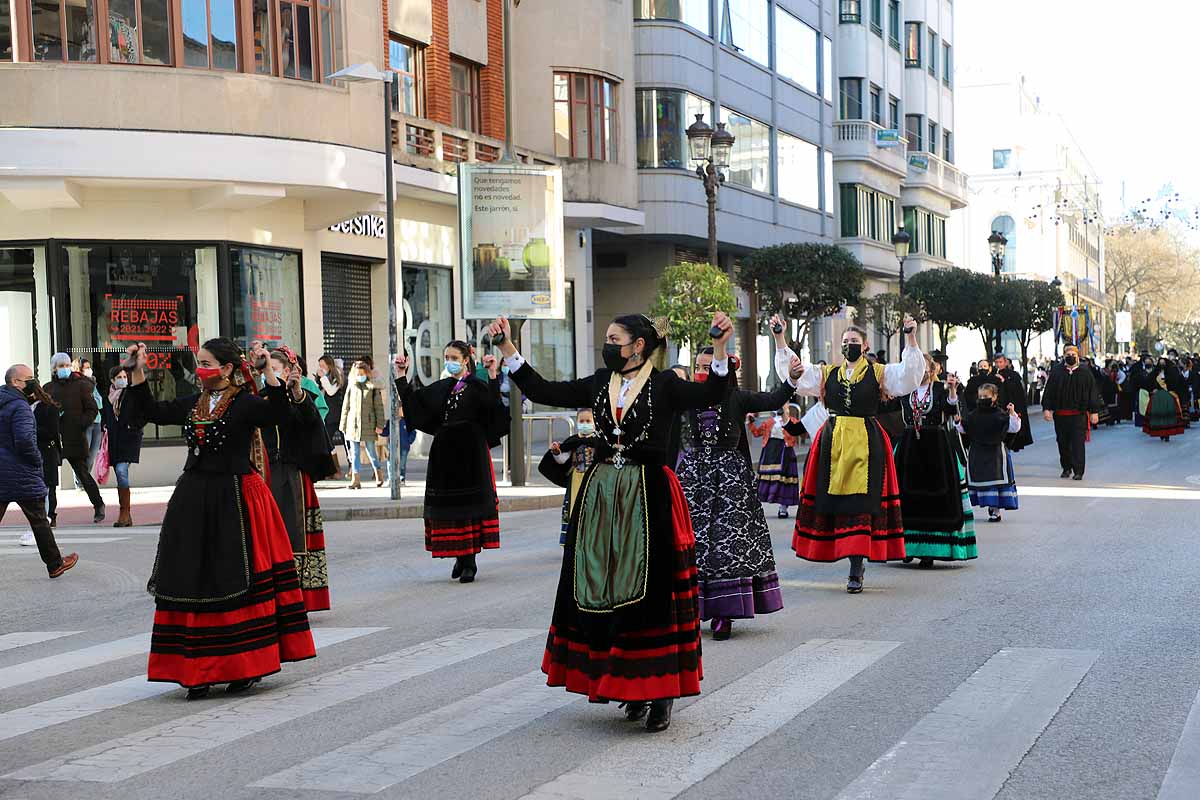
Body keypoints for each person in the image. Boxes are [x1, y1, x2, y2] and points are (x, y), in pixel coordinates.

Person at [489, 311, 734, 733]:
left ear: (638, 345)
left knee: (651, 593)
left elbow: (713, 391)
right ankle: (624, 684)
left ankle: (660, 693)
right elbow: (545, 389)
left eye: (613, 337)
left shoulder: (665, 385)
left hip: (649, 493)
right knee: (600, 585)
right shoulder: (601, 380)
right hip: (603, 494)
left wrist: (721, 346)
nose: (608, 343)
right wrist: (507, 347)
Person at [119, 339, 316, 699]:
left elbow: (279, 415)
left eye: (207, 363)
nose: (200, 369)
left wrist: (266, 369)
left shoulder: (244, 403)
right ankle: (196, 668)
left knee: (232, 576)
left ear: (226, 369)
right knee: (192, 576)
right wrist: (137, 370)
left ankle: (242, 665)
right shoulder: (194, 403)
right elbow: (150, 411)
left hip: (235, 498)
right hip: (193, 497)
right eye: (199, 363)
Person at [771, 314, 925, 594]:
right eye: (845, 341)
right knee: (834, 502)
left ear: (864, 346)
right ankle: (840, 553)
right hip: (834, 441)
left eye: (854, 341)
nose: (849, 345)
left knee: (862, 503)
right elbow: (794, 375)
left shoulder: (880, 373)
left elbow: (910, 375)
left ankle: (857, 567)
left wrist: (910, 336)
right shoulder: (827, 373)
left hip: (868, 442)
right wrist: (780, 338)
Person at [676, 348, 792, 641]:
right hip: (693, 477)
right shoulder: (687, 397)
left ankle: (723, 613)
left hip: (730, 477)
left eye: (708, 366)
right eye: (699, 366)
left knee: (727, 544)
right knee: (694, 541)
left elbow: (773, 399)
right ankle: (690, 609)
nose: (703, 371)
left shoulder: (737, 398)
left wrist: (790, 381)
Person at [394, 340, 509, 583]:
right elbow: (416, 405)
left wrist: (492, 375)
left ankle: (470, 562)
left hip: (470, 452)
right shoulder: (444, 387)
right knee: (451, 507)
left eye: (454, 357)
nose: (450, 361)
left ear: (466, 359)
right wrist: (401, 376)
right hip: (445, 453)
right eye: (447, 356)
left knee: (468, 506)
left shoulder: (476, 386)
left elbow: (494, 408)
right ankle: (459, 555)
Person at [262, 348, 335, 612]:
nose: (269, 372)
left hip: (292, 473)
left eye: (274, 367)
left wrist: (296, 394)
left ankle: (295, 596)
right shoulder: (258, 398)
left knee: (295, 537)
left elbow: (313, 423)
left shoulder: (300, 397)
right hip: (263, 473)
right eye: (266, 367)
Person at [889, 360, 976, 565]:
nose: (924, 373)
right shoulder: (905, 390)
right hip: (910, 447)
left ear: (933, 370)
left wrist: (953, 391)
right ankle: (906, 546)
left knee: (934, 498)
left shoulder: (939, 388)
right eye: (919, 369)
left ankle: (929, 550)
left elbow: (952, 410)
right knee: (906, 497)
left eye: (927, 369)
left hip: (936, 446)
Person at [1, 365, 79, 577]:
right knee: (39, 519)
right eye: (29, 379)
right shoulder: (20, 406)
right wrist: (37, 461)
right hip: (21, 473)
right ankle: (55, 564)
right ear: (16, 382)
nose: (33, 382)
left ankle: (55, 563)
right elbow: (25, 440)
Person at [44, 353, 106, 523]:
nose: (64, 368)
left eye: (66, 365)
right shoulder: (48, 388)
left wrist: (81, 424)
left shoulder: (81, 385)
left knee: (82, 474)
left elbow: (92, 409)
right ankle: (51, 514)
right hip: (54, 438)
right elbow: (43, 411)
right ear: (54, 369)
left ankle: (98, 504)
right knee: (50, 479)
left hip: (74, 435)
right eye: (60, 366)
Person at [956, 383, 1021, 522]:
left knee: (995, 482)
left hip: (996, 453)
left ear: (995, 397)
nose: (983, 398)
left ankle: (994, 510)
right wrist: (958, 422)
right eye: (981, 396)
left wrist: (1012, 413)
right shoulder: (973, 415)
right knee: (981, 480)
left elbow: (1014, 428)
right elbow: (964, 429)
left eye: (986, 396)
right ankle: (981, 508)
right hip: (978, 453)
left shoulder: (1001, 415)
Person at [539, 408, 600, 546]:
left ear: (595, 422)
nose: (585, 424)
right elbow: (563, 460)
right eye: (582, 421)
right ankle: (574, 541)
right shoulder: (573, 441)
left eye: (588, 421)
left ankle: (593, 540)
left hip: (595, 480)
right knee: (574, 509)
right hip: (576, 481)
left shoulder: (600, 441)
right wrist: (556, 452)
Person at [1040, 345, 1103, 480]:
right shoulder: (1057, 371)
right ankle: (1066, 468)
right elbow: (1049, 391)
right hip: (1060, 414)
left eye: (1073, 354)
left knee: (1077, 443)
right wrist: (1047, 409)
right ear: (1063, 355)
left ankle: (1078, 470)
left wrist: (1094, 411)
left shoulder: (1085, 372)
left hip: (1078, 415)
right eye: (1068, 354)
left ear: (1077, 355)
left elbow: (1093, 392)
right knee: (1062, 443)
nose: (1070, 356)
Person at [102, 366, 143, 528]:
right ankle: (126, 515)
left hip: (129, 439)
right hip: (114, 441)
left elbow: (142, 413)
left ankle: (124, 512)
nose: (123, 379)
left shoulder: (131, 394)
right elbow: (105, 417)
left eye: (125, 376)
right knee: (119, 473)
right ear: (112, 380)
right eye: (119, 377)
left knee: (121, 470)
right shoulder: (108, 398)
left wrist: (134, 427)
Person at [24, 378, 62, 539]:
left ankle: (49, 515)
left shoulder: (47, 408)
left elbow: (52, 432)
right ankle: (41, 517)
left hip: (46, 450)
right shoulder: (23, 407)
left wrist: (30, 427)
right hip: (30, 452)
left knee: (47, 487)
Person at [748, 403, 801, 519]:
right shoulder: (768, 422)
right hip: (770, 452)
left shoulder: (792, 421)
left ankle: (783, 508)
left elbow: (799, 431)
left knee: (785, 480)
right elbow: (756, 433)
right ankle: (757, 507)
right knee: (769, 480)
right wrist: (750, 422)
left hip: (785, 452)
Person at [339, 361, 385, 489]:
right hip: (353, 425)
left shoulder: (372, 387)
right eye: (358, 374)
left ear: (367, 373)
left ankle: (378, 474)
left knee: (371, 452)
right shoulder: (351, 386)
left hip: (369, 424)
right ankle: (356, 480)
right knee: (354, 453)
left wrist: (380, 424)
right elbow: (346, 406)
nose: (360, 376)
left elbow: (378, 407)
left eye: (362, 373)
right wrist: (343, 424)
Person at [993, 355, 1033, 451]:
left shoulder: (1013, 375)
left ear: (1005, 362)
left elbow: (1017, 392)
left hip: (1011, 407)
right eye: (997, 362)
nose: (999, 364)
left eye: (1000, 362)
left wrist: (1004, 381)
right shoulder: (994, 374)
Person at [1143, 356, 1187, 442]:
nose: (1162, 364)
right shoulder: (1155, 373)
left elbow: (1175, 382)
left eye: (1163, 362)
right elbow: (1148, 382)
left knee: (1168, 415)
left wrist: (1171, 388)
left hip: (1168, 395)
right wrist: (1153, 388)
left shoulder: (1171, 372)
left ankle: (1167, 433)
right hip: (1157, 396)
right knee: (1158, 415)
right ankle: (1160, 432)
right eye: (1160, 362)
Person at [317, 355, 346, 477]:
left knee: (346, 442)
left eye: (323, 365)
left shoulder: (336, 376)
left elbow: (331, 391)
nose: (321, 368)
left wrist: (323, 377)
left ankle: (351, 468)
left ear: (329, 365)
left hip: (337, 414)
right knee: (327, 440)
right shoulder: (323, 378)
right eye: (320, 366)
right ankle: (335, 469)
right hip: (328, 415)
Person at [78, 357, 104, 486]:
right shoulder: (78, 384)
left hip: (97, 421)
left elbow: (100, 403)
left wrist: (92, 400)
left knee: (93, 453)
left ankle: (84, 479)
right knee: (84, 453)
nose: (89, 370)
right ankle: (81, 480)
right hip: (86, 422)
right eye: (86, 368)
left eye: (89, 367)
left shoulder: (93, 384)